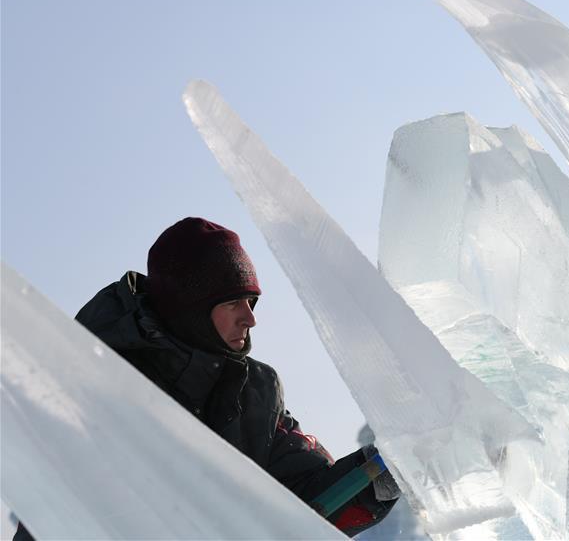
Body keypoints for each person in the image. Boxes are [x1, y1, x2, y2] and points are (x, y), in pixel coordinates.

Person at [14, 217, 398, 540]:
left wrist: (381, 474)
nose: (250, 318)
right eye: (233, 302)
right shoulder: (98, 377)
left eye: (251, 301)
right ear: (190, 308)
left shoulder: (256, 394)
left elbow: (303, 508)